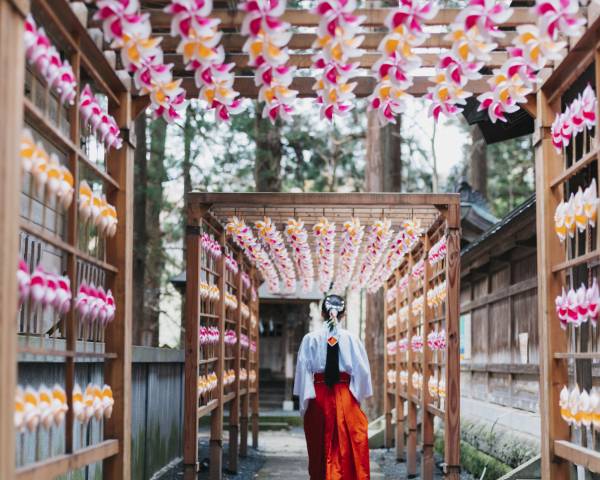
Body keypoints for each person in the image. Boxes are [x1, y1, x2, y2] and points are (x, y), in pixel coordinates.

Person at [293, 294, 373, 479]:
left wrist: (305, 405)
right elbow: (363, 373)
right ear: (343, 314)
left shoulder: (309, 339)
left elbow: (303, 375)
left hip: (318, 395)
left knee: (319, 447)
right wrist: (355, 398)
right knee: (350, 447)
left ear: (322, 313)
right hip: (346, 395)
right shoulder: (352, 340)